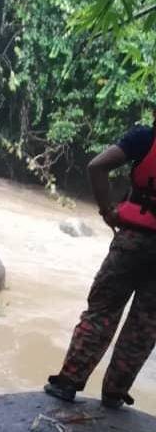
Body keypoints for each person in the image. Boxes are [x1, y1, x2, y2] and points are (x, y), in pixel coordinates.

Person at [45, 112, 156, 409]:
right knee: (145, 326)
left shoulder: (144, 138)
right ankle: (114, 394)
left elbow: (97, 166)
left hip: (131, 241)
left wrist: (107, 210)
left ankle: (68, 383)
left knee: (102, 311)